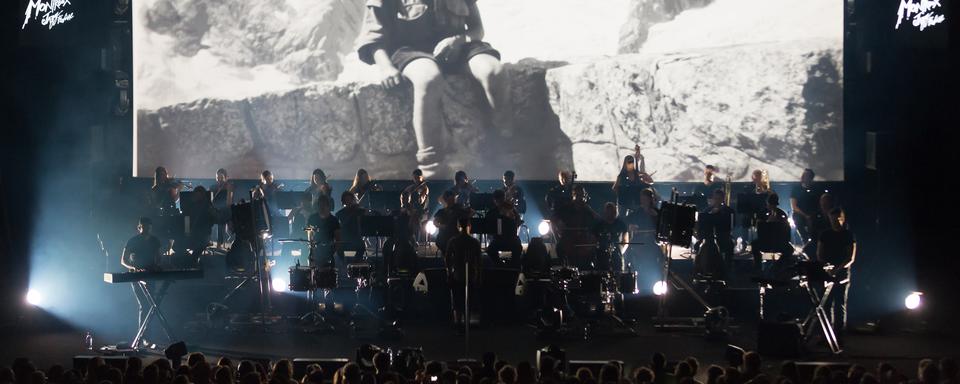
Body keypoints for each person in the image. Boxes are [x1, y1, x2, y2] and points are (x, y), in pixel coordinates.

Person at [356, 0, 505, 177]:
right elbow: (373, 38)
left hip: (458, 48)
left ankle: (505, 146)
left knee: (494, 71)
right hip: (411, 52)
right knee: (428, 79)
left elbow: (477, 29)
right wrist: (386, 67)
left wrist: (458, 40)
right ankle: (430, 167)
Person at [816, 207, 856, 333]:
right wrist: (826, 267)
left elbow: (850, 257)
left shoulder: (848, 235)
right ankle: (826, 335)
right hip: (827, 272)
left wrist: (836, 270)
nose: (836, 221)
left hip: (841, 274)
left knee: (839, 304)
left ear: (842, 219)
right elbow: (819, 253)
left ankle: (838, 335)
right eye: (833, 219)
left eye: (838, 219)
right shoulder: (825, 234)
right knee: (826, 305)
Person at [444, 216, 483, 329]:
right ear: (469, 226)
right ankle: (467, 323)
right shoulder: (474, 242)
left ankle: (458, 324)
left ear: (458, 226)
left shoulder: (453, 241)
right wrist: (479, 275)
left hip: (457, 274)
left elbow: (447, 258)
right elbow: (479, 261)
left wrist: (449, 272)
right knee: (468, 300)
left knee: (457, 300)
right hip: (471, 274)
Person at [554, 185, 599, 269]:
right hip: (568, 240)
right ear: (573, 195)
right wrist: (558, 234)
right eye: (577, 195)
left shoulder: (587, 209)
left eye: (581, 195)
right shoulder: (566, 208)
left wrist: (589, 209)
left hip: (583, 241)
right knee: (559, 248)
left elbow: (598, 222)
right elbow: (554, 220)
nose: (579, 198)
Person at [750, 193, 793, 273]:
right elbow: (759, 230)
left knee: (789, 249)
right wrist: (767, 222)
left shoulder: (782, 214)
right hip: (765, 241)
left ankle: (778, 267)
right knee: (754, 245)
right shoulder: (761, 213)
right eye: (771, 204)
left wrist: (779, 223)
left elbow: (787, 232)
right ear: (767, 203)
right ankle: (758, 268)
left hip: (779, 241)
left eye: (774, 205)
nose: (772, 207)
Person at [613, 144, 655, 216]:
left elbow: (647, 179)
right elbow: (615, 188)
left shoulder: (636, 173)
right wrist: (621, 195)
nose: (630, 164)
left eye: (631, 162)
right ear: (625, 163)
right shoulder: (621, 176)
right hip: (623, 202)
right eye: (628, 162)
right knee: (622, 218)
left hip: (634, 202)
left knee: (637, 215)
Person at [696, 189, 735, 265]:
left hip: (723, 235)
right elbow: (702, 223)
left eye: (719, 198)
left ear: (723, 199)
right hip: (709, 237)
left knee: (729, 245)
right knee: (702, 246)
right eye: (715, 198)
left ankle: (727, 267)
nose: (717, 201)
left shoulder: (729, 211)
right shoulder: (707, 210)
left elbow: (731, 225)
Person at [484, 189, 522, 266]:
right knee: (491, 250)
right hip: (502, 239)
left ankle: (506, 266)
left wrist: (511, 214)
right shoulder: (492, 213)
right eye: (499, 200)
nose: (501, 202)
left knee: (517, 248)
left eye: (502, 199)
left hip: (507, 239)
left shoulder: (511, 210)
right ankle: (504, 266)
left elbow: (518, 222)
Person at [433, 190, 472, 259]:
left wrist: (466, 217)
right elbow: (435, 222)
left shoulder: (459, 209)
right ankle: (447, 258)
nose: (453, 200)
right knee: (441, 242)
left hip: (455, 234)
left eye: (454, 198)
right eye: (451, 198)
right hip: (444, 235)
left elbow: (470, 213)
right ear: (446, 199)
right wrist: (441, 226)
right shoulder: (441, 211)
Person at [790, 169, 824, 243]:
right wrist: (805, 215)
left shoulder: (816, 189)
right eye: (803, 175)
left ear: (811, 178)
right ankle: (805, 240)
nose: (803, 177)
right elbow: (794, 206)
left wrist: (811, 215)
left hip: (813, 213)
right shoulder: (796, 188)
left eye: (806, 176)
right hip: (800, 213)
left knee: (816, 222)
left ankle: (815, 241)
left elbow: (820, 204)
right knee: (798, 220)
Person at [593, 202, 629, 271]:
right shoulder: (599, 225)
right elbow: (593, 239)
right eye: (608, 211)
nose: (610, 213)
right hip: (601, 256)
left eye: (612, 211)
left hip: (617, 256)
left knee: (618, 275)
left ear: (615, 212)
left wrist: (620, 251)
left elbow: (625, 241)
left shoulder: (621, 224)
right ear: (605, 212)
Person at [307, 198, 342, 267]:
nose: (322, 207)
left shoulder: (334, 220)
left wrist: (335, 252)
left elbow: (338, 239)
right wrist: (312, 249)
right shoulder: (312, 218)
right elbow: (309, 235)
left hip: (330, 252)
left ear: (328, 206)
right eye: (320, 205)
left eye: (324, 205)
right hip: (316, 252)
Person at [336, 191, 369, 260]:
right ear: (343, 202)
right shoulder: (340, 213)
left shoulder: (359, 211)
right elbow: (343, 224)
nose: (349, 202)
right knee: (346, 256)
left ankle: (356, 262)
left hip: (357, 241)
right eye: (346, 200)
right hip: (346, 242)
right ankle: (349, 262)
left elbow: (366, 218)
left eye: (350, 200)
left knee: (358, 254)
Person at [401, 169, 431, 234]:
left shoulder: (424, 188)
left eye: (418, 178)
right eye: (415, 178)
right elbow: (403, 195)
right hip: (412, 210)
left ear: (421, 177)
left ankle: (413, 236)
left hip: (421, 211)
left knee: (413, 216)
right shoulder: (411, 187)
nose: (416, 179)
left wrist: (417, 194)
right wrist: (404, 206)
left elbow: (421, 201)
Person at [211, 168, 234, 246]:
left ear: (225, 177)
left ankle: (228, 239)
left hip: (226, 210)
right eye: (218, 177)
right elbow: (211, 200)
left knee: (225, 218)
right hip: (217, 210)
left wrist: (228, 189)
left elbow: (229, 201)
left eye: (221, 178)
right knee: (220, 221)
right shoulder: (214, 187)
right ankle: (219, 243)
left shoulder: (229, 186)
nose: (219, 180)